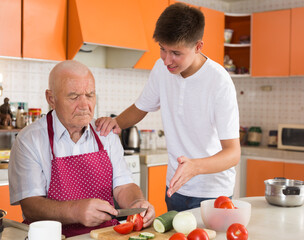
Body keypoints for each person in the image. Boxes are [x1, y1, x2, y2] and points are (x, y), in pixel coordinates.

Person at [96, 3, 241, 212]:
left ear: (198, 46)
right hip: (175, 188)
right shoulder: (161, 69)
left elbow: (233, 153)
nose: (167, 60)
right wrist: (116, 122)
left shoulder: (219, 82)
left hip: (212, 192)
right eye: (162, 49)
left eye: (175, 53)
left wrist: (195, 167)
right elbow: (141, 107)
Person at [8, 60, 155, 237]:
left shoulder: (105, 134)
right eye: (73, 96)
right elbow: (31, 205)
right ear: (51, 98)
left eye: (90, 95)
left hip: (104, 234)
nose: (85, 105)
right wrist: (75, 211)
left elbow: (123, 186)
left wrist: (137, 203)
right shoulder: (29, 140)